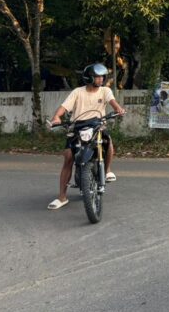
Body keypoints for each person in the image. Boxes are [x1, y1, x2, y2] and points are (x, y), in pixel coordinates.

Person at [47, 63, 126, 210]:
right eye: (97, 77)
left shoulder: (105, 91)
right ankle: (62, 197)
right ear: (89, 78)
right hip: (77, 127)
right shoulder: (77, 92)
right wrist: (57, 117)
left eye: (102, 76)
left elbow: (113, 103)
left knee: (108, 141)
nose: (101, 79)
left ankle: (107, 170)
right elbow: (64, 107)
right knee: (68, 157)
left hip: (97, 125)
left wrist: (118, 109)